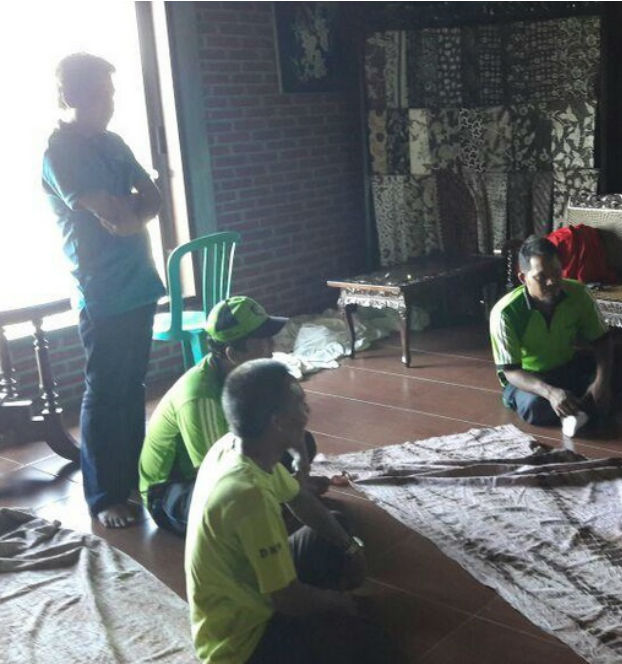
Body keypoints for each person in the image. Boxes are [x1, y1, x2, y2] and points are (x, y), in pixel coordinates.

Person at [185, 359, 395, 663]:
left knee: (334, 529)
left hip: (256, 592)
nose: (307, 411)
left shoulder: (237, 447)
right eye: (300, 403)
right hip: (243, 643)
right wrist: (339, 603)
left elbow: (300, 500)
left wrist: (351, 549)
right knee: (375, 647)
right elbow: (287, 599)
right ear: (278, 422)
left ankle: (322, 622)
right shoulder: (248, 494)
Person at [42, 53, 165, 528]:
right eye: (99, 95)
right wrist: (127, 210)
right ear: (71, 96)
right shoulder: (61, 152)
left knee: (132, 388)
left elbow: (151, 198)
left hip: (139, 282)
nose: (109, 104)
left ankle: (130, 478)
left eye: (111, 94)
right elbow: (108, 211)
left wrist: (131, 212)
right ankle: (104, 496)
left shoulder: (114, 143)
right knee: (106, 391)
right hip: (102, 291)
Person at [139, 296, 323, 535]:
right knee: (234, 505)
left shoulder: (249, 374)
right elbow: (219, 473)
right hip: (176, 488)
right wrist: (291, 490)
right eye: (263, 341)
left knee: (304, 441)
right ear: (233, 353)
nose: (272, 346)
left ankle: (275, 499)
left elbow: (287, 425)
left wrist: (301, 463)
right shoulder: (199, 396)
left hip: (230, 458)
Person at [490, 235, 622, 434]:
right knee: (535, 407)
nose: (552, 282)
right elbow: (511, 372)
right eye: (541, 277)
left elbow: (602, 340)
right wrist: (550, 393)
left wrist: (601, 382)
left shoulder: (578, 294)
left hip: (567, 366)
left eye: (556, 272)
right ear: (523, 278)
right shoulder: (506, 313)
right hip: (531, 379)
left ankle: (579, 408)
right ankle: (587, 407)